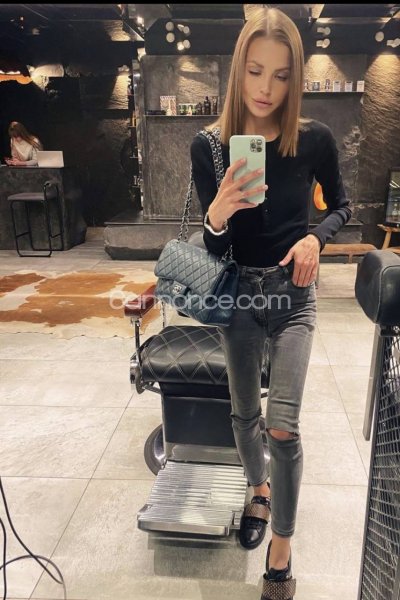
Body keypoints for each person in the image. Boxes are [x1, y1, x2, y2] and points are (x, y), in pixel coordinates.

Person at [190, 7, 352, 599]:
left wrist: (315, 238)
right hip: (237, 295)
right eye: (256, 71)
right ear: (239, 69)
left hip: (293, 298)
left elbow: (342, 206)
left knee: (282, 426)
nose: (266, 88)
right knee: (243, 417)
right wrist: (217, 215)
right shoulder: (209, 146)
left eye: (281, 75)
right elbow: (216, 248)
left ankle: (281, 544)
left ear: (295, 78)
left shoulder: (314, 139)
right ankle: (257, 489)